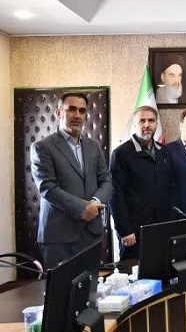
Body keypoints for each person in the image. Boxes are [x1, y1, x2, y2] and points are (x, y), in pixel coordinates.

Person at [30, 92, 113, 268]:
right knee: (60, 286)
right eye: (71, 109)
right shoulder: (42, 147)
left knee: (90, 284)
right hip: (58, 237)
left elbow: (107, 180)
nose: (77, 115)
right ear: (58, 113)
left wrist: (95, 202)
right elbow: (48, 188)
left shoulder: (93, 146)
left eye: (82, 111)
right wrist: (82, 209)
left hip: (91, 233)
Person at [109, 106, 174, 260]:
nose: (146, 125)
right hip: (134, 231)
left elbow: (170, 188)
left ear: (156, 124)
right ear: (134, 124)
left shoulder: (165, 152)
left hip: (162, 227)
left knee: (162, 268)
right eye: (142, 121)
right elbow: (115, 195)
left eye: (151, 121)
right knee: (134, 272)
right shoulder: (121, 154)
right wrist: (125, 230)